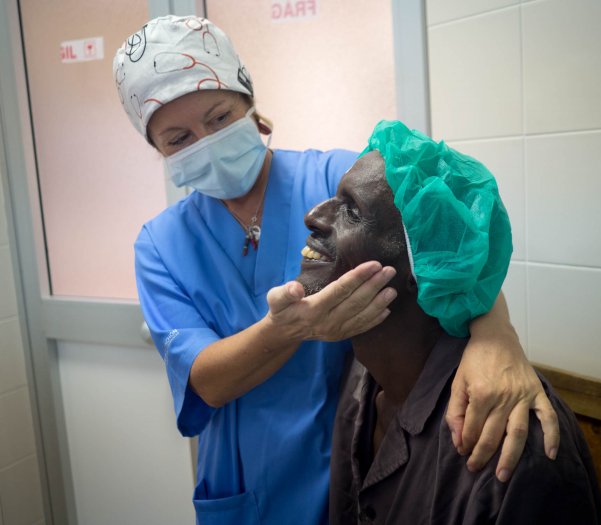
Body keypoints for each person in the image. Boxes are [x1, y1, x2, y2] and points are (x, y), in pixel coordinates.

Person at [113, 15, 560, 525]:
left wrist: (495, 337)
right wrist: (289, 330)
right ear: (158, 151)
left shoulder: (336, 179)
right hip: (248, 490)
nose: (205, 142)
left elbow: (451, 246)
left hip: (358, 456)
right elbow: (205, 383)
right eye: (178, 139)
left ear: (249, 103)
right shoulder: (160, 245)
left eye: (218, 119)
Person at [298, 120, 601, 524]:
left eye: (351, 211)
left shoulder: (510, 453)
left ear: (420, 269)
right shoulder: (361, 376)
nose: (314, 216)